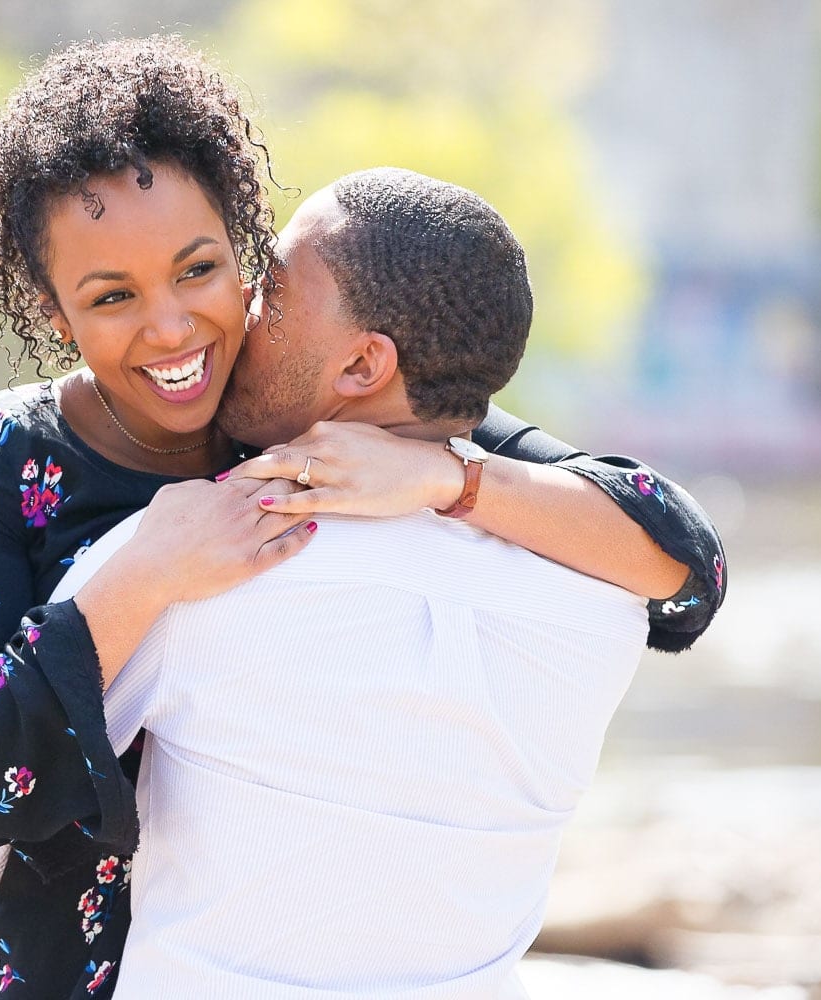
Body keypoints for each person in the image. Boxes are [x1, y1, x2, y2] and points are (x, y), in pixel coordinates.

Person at [0, 37, 724, 1000]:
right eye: (112, 297)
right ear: (51, 309)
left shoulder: (318, 405)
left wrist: (447, 480)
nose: (172, 328)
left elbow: (685, 569)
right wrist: (142, 577)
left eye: (202, 270)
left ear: (244, 248)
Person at [47, 166, 656, 997]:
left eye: (276, 292)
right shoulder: (606, 602)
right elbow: (682, 552)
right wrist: (454, 478)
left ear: (365, 364)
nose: (242, 309)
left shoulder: (202, 559)